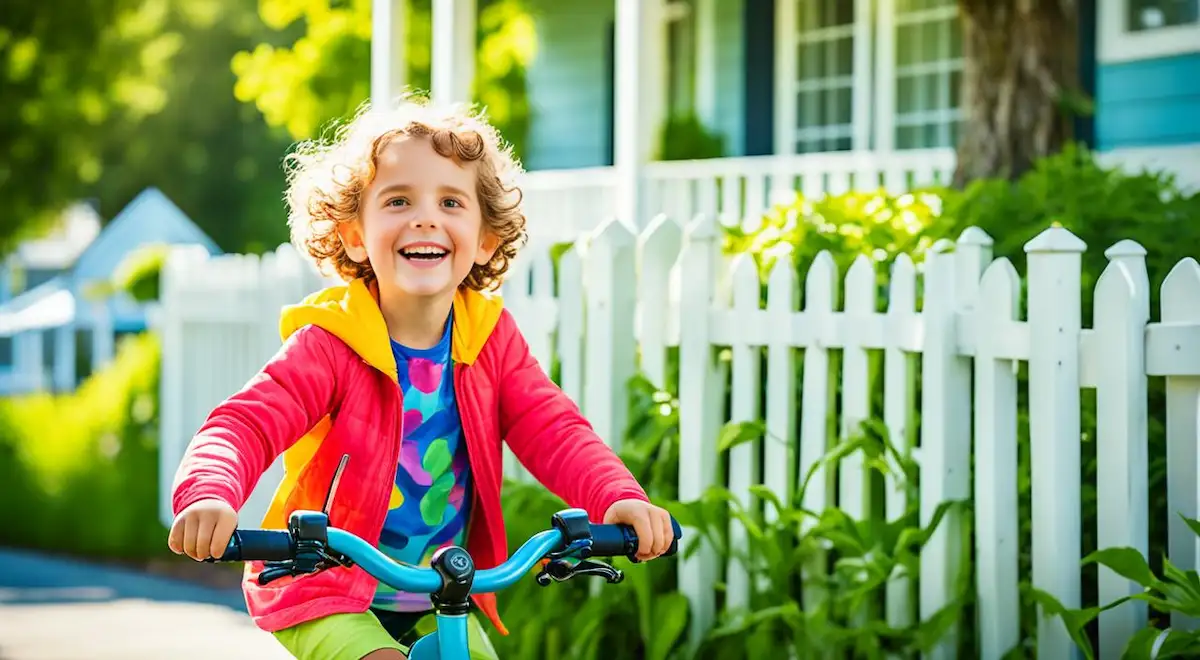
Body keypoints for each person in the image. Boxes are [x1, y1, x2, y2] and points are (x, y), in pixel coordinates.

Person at [166, 96, 674, 660]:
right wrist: (209, 493)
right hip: (326, 585)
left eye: (451, 201)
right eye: (398, 200)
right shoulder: (330, 343)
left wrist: (616, 497)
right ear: (356, 234)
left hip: (446, 591)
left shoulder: (491, 341)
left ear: (484, 238)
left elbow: (554, 428)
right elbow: (245, 424)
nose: (425, 217)